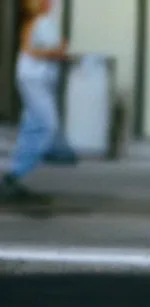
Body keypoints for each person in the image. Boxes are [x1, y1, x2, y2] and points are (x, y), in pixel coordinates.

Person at [0, 0, 69, 203]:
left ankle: (12, 177)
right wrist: (55, 53)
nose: (50, 3)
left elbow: (48, 49)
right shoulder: (35, 22)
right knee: (47, 125)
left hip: (41, 80)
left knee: (32, 126)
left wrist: (59, 52)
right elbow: (30, 49)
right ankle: (13, 174)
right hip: (33, 79)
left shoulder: (47, 22)